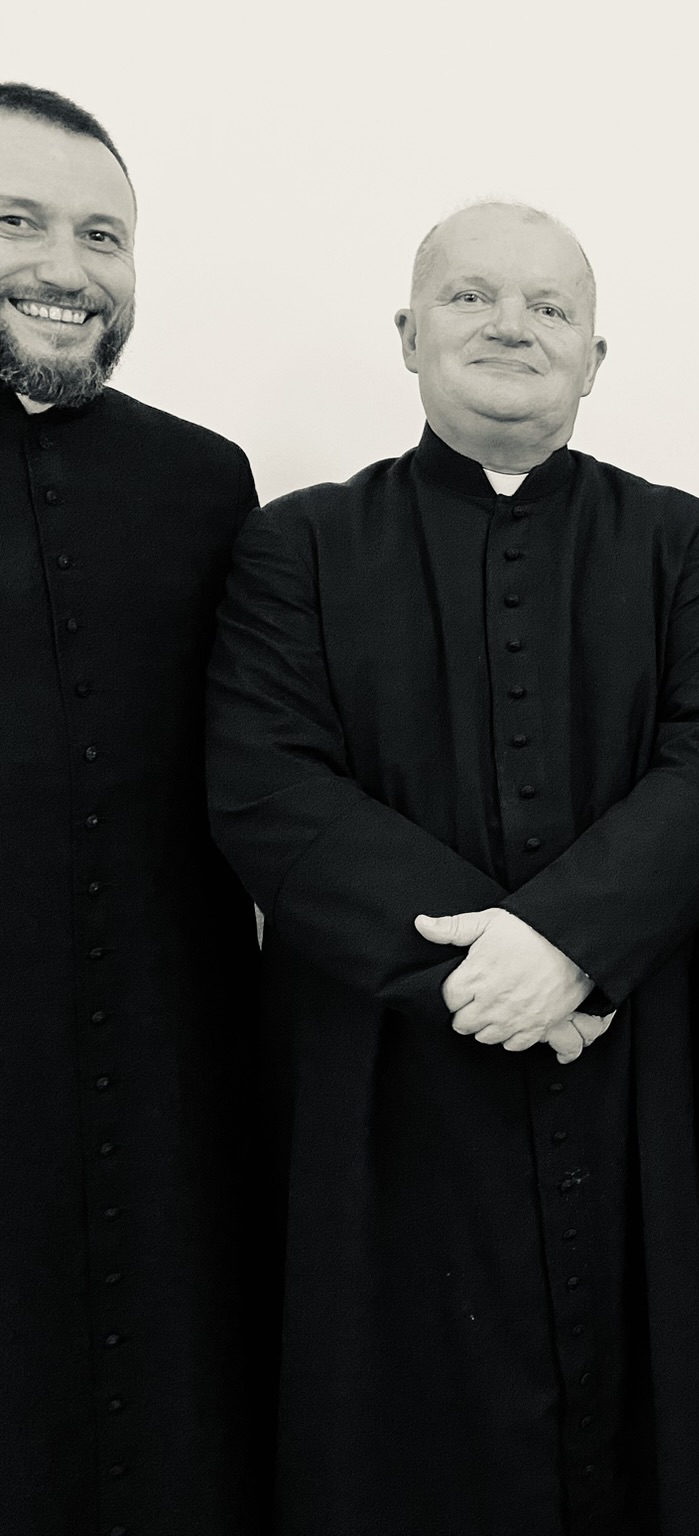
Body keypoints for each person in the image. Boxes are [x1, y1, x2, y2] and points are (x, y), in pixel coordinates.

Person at [206, 201, 699, 1535]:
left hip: (623, 1055)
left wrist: (568, 945)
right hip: (386, 1067)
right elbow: (267, 785)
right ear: (408, 335)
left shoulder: (682, 542)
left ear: (595, 357)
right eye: (471, 297)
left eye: (549, 308)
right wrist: (493, 972)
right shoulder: (299, 541)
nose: (512, 326)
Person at [0, 82, 278, 1536]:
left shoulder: (203, 479)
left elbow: (273, 770)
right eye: (18, 222)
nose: (69, 267)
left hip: (173, 1070)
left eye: (103, 234)